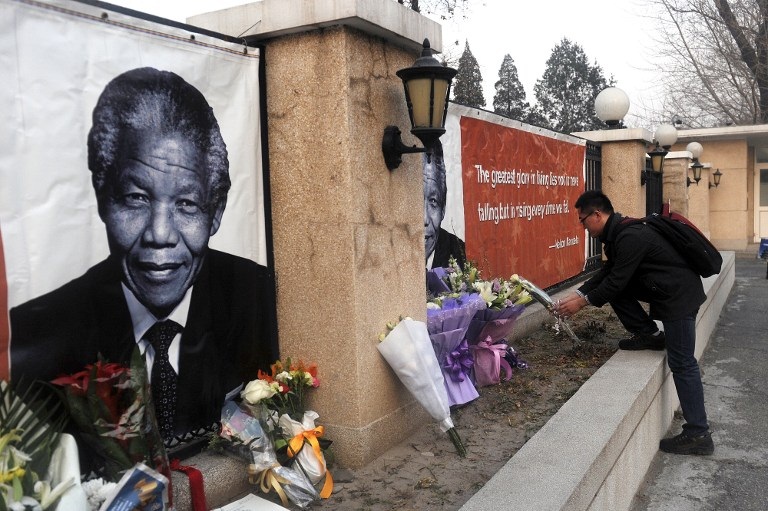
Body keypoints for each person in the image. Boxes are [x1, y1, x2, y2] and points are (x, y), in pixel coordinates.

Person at [9, 67, 277, 442]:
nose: (160, 235)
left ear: (215, 212)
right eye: (136, 198)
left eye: (186, 203)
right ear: (103, 199)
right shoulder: (39, 333)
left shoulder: (256, 297)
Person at [555, 190, 713, 456]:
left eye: (583, 220)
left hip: (679, 296)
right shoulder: (618, 236)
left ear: (597, 214)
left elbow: (615, 281)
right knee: (615, 290)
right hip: (668, 290)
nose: (582, 227)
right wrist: (580, 293)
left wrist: (581, 303)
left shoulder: (630, 237)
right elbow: (609, 274)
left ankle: (699, 433)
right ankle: (649, 335)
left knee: (682, 362)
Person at [424, 140, 466, 269]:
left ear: (443, 209)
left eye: (433, 201)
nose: (424, 218)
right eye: (414, 202)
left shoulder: (457, 250)